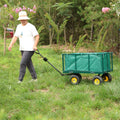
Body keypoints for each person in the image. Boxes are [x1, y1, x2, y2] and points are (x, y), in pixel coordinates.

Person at [8, 11, 39, 83]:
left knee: (22, 63)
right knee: (28, 63)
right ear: (19, 20)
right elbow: (15, 37)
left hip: (30, 48)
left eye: (24, 19)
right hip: (22, 48)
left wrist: (35, 45)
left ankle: (20, 80)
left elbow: (37, 36)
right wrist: (11, 45)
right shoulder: (19, 27)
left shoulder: (31, 26)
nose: (23, 20)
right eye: (21, 19)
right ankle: (34, 78)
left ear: (27, 19)